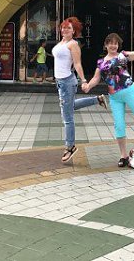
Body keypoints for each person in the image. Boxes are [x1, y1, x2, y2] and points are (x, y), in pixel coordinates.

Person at [82, 32, 134, 167]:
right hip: (114, 97)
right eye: (110, 43)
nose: (113, 46)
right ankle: (123, 156)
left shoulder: (122, 56)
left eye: (116, 43)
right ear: (106, 45)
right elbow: (96, 78)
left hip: (129, 91)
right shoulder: (101, 62)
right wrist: (88, 86)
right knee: (119, 126)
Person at [53, 17, 106, 163]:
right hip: (61, 82)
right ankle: (97, 99)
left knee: (67, 117)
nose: (65, 30)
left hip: (67, 82)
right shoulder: (62, 42)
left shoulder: (73, 44)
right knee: (70, 107)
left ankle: (70, 147)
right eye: (63, 27)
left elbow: (77, 64)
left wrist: (83, 80)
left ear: (74, 31)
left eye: (69, 28)